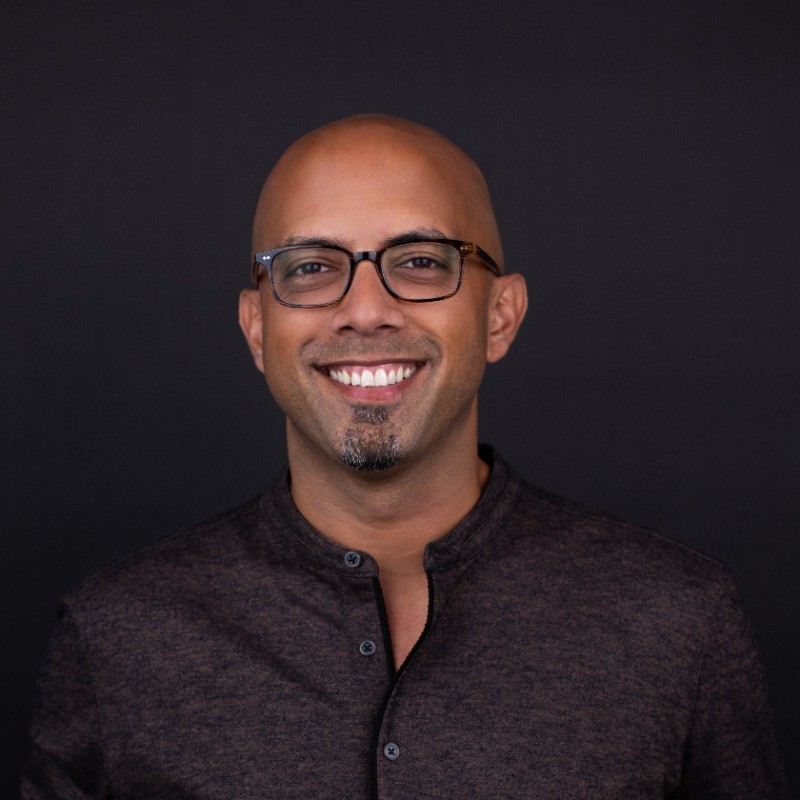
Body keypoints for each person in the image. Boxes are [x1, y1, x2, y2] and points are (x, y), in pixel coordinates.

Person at [22, 114, 788, 799]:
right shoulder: (117, 637)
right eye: (311, 266)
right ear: (256, 329)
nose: (365, 310)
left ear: (500, 315)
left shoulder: (677, 619)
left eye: (421, 261)